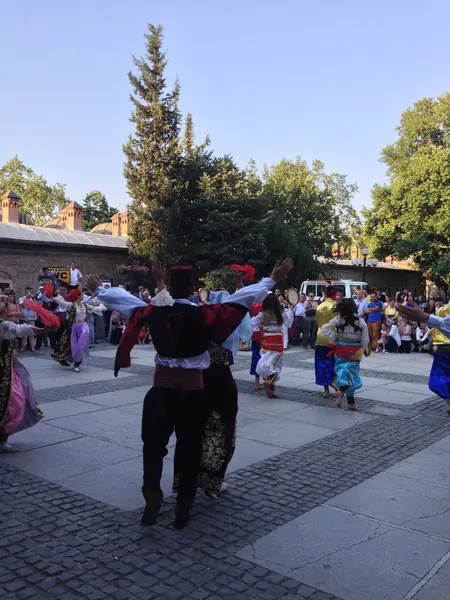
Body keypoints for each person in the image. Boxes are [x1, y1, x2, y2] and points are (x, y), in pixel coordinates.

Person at [87, 259, 293, 529]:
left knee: (153, 447)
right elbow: (242, 299)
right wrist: (271, 278)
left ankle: (152, 495)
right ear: (193, 289)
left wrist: (100, 290)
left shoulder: (155, 312)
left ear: (170, 287)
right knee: (190, 447)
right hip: (193, 392)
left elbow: (125, 301)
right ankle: (183, 506)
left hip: (161, 390)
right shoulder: (207, 314)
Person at [0, 295, 44, 452]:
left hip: (8, 369)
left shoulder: (6, 323)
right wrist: (35, 329)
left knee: (15, 400)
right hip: (3, 371)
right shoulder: (4, 325)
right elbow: (17, 330)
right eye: (4, 304)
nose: (7, 306)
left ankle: (2, 438)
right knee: (12, 401)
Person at [321, 298, 370, 409]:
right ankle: (345, 396)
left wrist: (334, 337)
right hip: (355, 350)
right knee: (352, 374)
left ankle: (348, 399)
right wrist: (365, 349)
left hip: (340, 350)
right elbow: (365, 339)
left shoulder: (338, 319)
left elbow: (324, 330)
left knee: (342, 373)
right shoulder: (360, 321)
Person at [252, 293, 293, 398]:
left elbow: (252, 323)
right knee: (276, 364)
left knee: (266, 362)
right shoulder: (280, 312)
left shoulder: (263, 313)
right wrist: (290, 309)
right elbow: (289, 323)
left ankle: (270, 388)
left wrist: (259, 329)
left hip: (266, 340)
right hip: (277, 340)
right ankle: (270, 382)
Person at [51, 288, 93, 372]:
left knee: (81, 345)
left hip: (83, 327)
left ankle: (77, 364)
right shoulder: (71, 305)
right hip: (74, 327)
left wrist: (104, 306)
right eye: (81, 294)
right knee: (72, 345)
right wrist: (54, 297)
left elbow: (94, 308)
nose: (83, 296)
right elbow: (62, 303)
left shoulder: (84, 305)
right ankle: (67, 359)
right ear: (77, 296)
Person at [315, 286, 338, 398]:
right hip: (332, 337)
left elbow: (319, 323)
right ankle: (334, 383)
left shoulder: (320, 306)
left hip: (320, 336)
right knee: (332, 362)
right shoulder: (335, 306)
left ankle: (326, 390)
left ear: (324, 294)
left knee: (321, 363)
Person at [250, 301, 263, 391]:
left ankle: (257, 381)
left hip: (263, 335)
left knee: (257, 358)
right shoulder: (255, 305)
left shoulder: (253, 304)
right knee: (258, 358)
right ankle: (258, 381)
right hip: (261, 335)